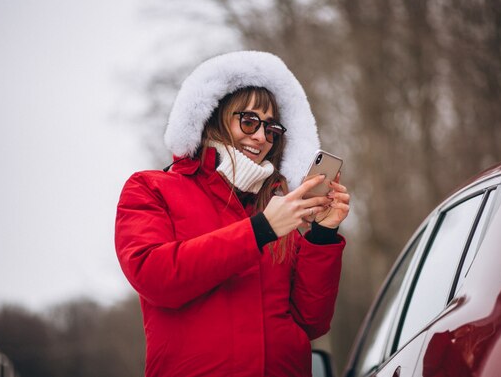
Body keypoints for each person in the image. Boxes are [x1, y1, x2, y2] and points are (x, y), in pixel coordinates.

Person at [115, 51, 349, 377]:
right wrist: (260, 231)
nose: (260, 137)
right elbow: (155, 277)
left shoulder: (276, 204)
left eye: (271, 129)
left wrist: (323, 235)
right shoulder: (151, 188)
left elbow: (311, 321)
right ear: (213, 117)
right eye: (249, 121)